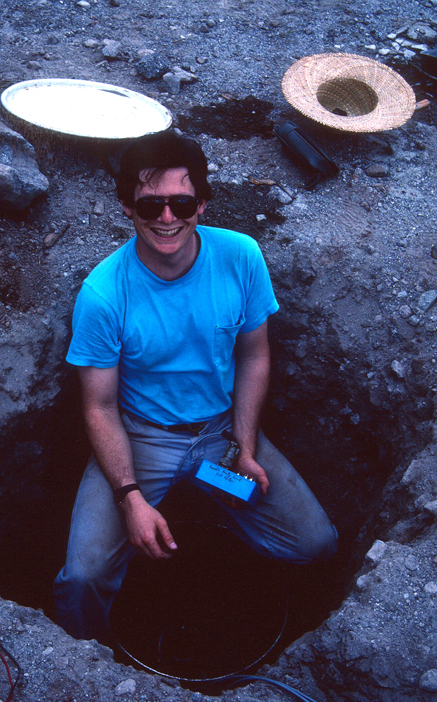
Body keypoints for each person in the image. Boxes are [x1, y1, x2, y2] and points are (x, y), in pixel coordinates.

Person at [54, 131, 337, 643]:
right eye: (150, 204)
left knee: (314, 544)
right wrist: (131, 498)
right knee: (84, 576)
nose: (167, 218)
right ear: (126, 207)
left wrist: (245, 449)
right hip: (142, 439)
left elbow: (254, 354)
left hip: (221, 433)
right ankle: (85, 660)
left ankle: (207, 509)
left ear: (202, 203)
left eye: (181, 202)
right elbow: (98, 406)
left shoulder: (241, 257)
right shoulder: (103, 293)